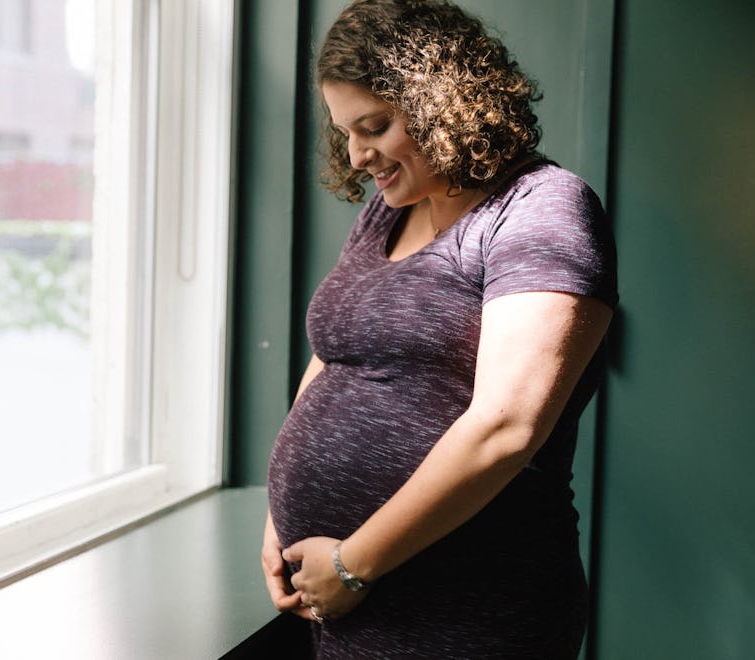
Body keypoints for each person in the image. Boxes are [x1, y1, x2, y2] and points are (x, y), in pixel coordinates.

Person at [261, 0, 618, 657]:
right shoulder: (388, 212)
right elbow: (336, 353)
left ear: (440, 104)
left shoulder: (540, 209)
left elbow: (506, 427)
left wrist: (352, 563)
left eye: (374, 126)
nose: (357, 154)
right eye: (344, 132)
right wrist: (276, 518)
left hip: (467, 611)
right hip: (345, 603)